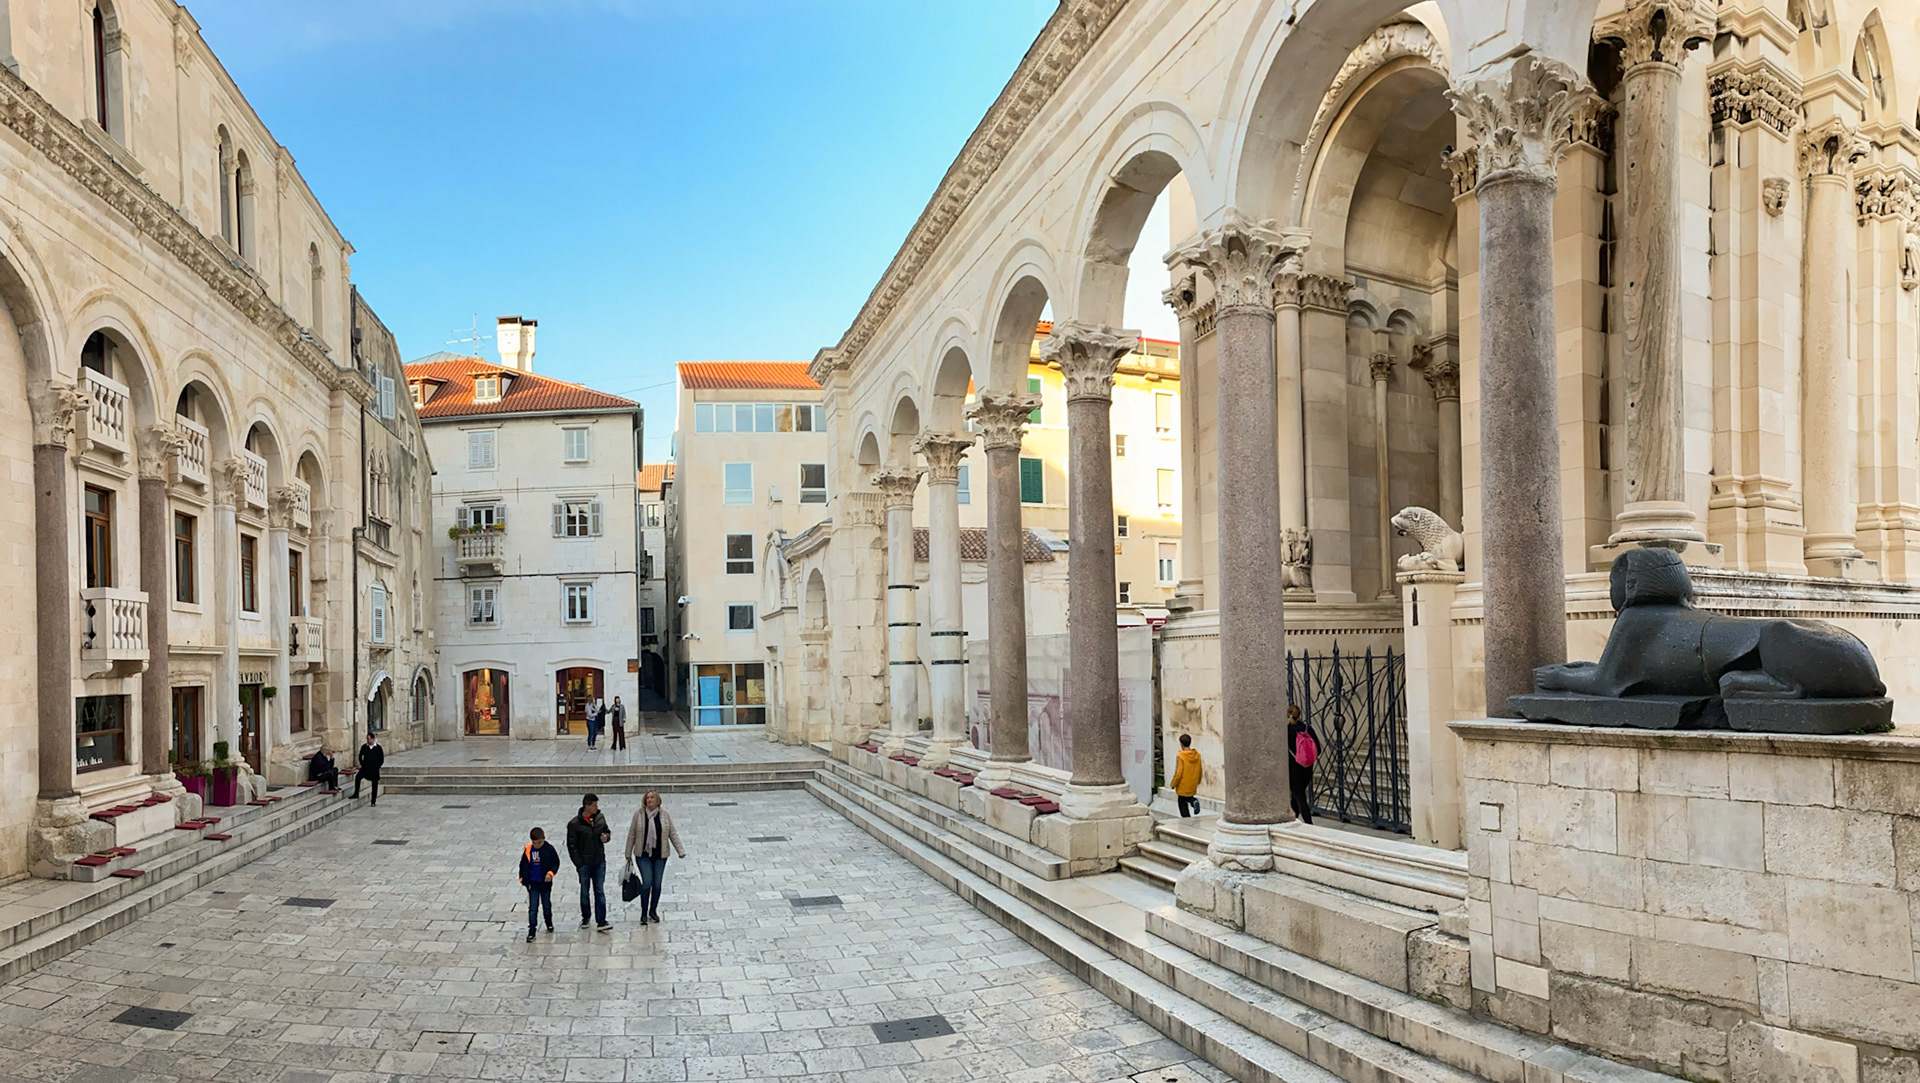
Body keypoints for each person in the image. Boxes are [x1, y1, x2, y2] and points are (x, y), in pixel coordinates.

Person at [623, 790, 686, 926]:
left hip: (660, 855)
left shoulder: (664, 815)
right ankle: (644, 912)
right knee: (647, 883)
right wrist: (628, 853)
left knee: (657, 884)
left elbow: (672, 833)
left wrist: (680, 850)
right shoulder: (639, 815)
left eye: (652, 798)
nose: (649, 800)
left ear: (657, 800)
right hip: (643, 855)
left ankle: (653, 911)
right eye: (647, 798)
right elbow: (632, 834)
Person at [566, 793, 613, 931]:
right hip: (584, 863)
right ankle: (586, 916)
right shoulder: (574, 824)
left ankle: (602, 920)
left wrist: (606, 837)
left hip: (599, 860)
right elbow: (571, 845)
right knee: (585, 890)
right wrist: (578, 863)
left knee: (599, 890)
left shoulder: (600, 818)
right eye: (594, 805)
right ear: (586, 806)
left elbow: (607, 831)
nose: (596, 808)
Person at [518, 827, 559, 942]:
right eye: (534, 843)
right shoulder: (528, 850)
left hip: (545, 883)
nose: (537, 845)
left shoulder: (549, 849)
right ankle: (532, 929)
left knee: (546, 904)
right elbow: (523, 867)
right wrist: (525, 881)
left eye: (539, 842)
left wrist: (550, 874)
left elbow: (555, 863)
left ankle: (548, 921)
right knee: (533, 907)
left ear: (544, 839)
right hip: (533, 884)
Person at [1286, 704, 1317, 825]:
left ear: (1288, 715)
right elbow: (1318, 748)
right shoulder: (1307, 729)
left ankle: (1309, 824)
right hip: (1307, 769)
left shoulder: (1287, 731)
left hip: (1294, 770)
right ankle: (1294, 818)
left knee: (1300, 797)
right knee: (1296, 795)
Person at [1169, 733, 1201, 818]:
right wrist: (1198, 781)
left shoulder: (1181, 756)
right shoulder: (1197, 755)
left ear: (1181, 744)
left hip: (1183, 783)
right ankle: (1193, 801)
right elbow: (1200, 769)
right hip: (1193, 782)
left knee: (1182, 803)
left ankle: (1187, 821)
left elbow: (1179, 772)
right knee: (1188, 797)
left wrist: (1173, 784)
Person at [352, 732, 384, 806]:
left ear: (373, 739)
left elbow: (381, 759)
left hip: (374, 769)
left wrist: (377, 766)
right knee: (358, 777)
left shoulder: (378, 748)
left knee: (374, 785)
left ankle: (373, 801)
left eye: (369, 739)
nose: (368, 740)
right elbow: (360, 756)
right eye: (367, 739)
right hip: (365, 768)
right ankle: (356, 793)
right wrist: (362, 763)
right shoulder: (364, 747)